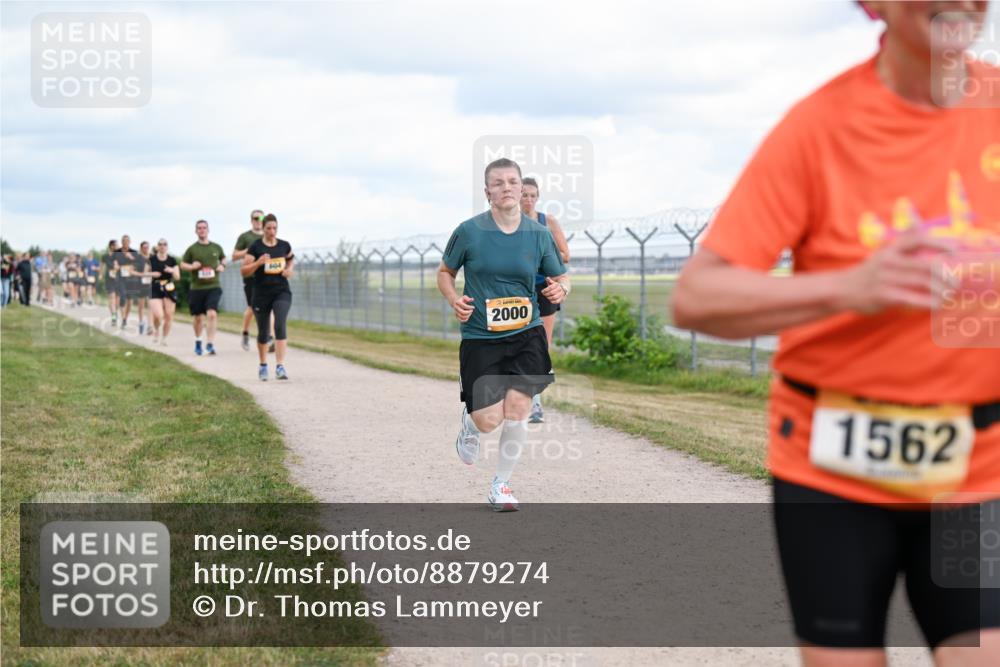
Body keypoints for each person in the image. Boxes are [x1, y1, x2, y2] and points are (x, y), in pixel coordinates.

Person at [673, 2, 1000, 665]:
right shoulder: (820, 128)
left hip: (977, 468)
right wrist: (852, 287)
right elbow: (697, 296)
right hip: (833, 469)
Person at [437, 158, 570, 511]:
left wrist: (562, 290)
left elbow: (561, 275)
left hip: (526, 333)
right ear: (487, 192)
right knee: (489, 419)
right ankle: (469, 423)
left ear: (520, 187)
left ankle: (502, 485)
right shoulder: (469, 231)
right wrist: (454, 299)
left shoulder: (539, 234)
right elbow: (445, 272)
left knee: (518, 410)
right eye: (498, 183)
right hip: (481, 335)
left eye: (512, 181)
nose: (507, 187)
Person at [520, 176, 571, 423]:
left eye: (532, 195)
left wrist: (541, 253)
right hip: (518, 291)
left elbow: (565, 255)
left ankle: (536, 405)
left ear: (537, 197)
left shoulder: (547, 221)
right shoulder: (508, 224)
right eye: (524, 194)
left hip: (545, 288)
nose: (528, 199)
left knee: (541, 346)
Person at [242, 213, 294, 380]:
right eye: (269, 228)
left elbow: (291, 258)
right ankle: (263, 365)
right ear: (263, 229)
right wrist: (258, 263)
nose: (272, 231)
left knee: (279, 323)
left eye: (274, 228)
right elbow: (243, 270)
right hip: (261, 294)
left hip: (281, 291)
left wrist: (289, 270)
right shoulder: (256, 247)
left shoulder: (284, 245)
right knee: (264, 332)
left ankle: (280, 366)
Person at [180, 220, 226, 356]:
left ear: (208, 230)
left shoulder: (216, 247)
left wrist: (222, 266)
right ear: (196, 231)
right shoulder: (192, 249)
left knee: (212, 314)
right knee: (198, 317)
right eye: (199, 228)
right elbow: (183, 265)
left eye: (204, 228)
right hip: (197, 288)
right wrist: (192, 267)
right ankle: (198, 341)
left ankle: (210, 344)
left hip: (213, 286)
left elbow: (223, 259)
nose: (202, 230)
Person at [233, 209, 274, 352]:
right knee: (252, 308)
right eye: (256, 218)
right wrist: (248, 250)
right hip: (251, 277)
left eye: (261, 218)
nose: (258, 220)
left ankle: (269, 337)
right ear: (251, 220)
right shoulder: (245, 237)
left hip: (268, 276)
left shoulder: (268, 234)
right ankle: (245, 332)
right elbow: (234, 256)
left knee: (270, 308)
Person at [146, 238, 179, 346]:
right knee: (159, 315)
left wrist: (172, 270)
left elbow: (178, 277)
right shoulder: (151, 259)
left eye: (164, 244)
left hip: (169, 287)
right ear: (157, 246)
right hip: (155, 287)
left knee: (169, 315)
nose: (162, 246)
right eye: (160, 244)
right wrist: (153, 274)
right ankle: (156, 331)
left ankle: (164, 338)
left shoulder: (172, 260)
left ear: (167, 246)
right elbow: (144, 273)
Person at [137, 241, 153, 334]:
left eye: (147, 247)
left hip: (150, 283)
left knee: (150, 305)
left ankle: (150, 326)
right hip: (140, 284)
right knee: (141, 306)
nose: (146, 249)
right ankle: (141, 322)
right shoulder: (138, 258)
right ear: (141, 248)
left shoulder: (152, 257)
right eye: (144, 247)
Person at [103, 240, 120, 326]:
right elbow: (102, 266)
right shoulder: (105, 256)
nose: (117, 247)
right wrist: (100, 275)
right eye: (116, 246)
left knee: (117, 300)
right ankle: (113, 316)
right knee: (111, 297)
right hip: (109, 279)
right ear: (111, 246)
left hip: (119, 279)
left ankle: (115, 313)